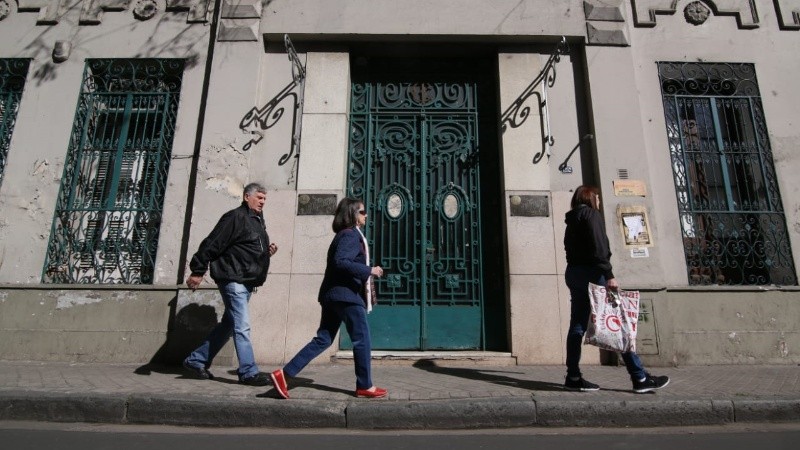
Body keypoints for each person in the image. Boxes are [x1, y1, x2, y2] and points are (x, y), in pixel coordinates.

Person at [270, 197, 386, 399]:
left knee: (323, 339)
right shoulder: (350, 236)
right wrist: (370, 270)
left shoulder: (343, 235)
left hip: (333, 295)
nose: (366, 215)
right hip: (346, 296)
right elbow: (341, 262)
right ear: (352, 214)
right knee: (362, 339)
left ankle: (284, 375)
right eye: (362, 212)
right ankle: (365, 385)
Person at [563, 185, 669, 393]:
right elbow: (599, 246)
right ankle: (639, 377)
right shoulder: (591, 215)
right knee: (619, 321)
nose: (600, 201)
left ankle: (573, 376)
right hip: (595, 273)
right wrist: (609, 274)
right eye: (598, 197)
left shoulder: (571, 220)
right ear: (591, 197)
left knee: (577, 325)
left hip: (574, 272)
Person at [182, 182, 278, 386]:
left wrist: (266, 253)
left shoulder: (257, 221)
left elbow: (245, 249)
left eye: (264, 198)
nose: (263, 201)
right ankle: (248, 372)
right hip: (233, 279)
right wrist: (198, 270)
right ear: (246, 197)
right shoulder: (235, 217)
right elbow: (213, 243)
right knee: (242, 326)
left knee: (229, 325)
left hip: (246, 280)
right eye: (259, 197)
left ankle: (195, 361)